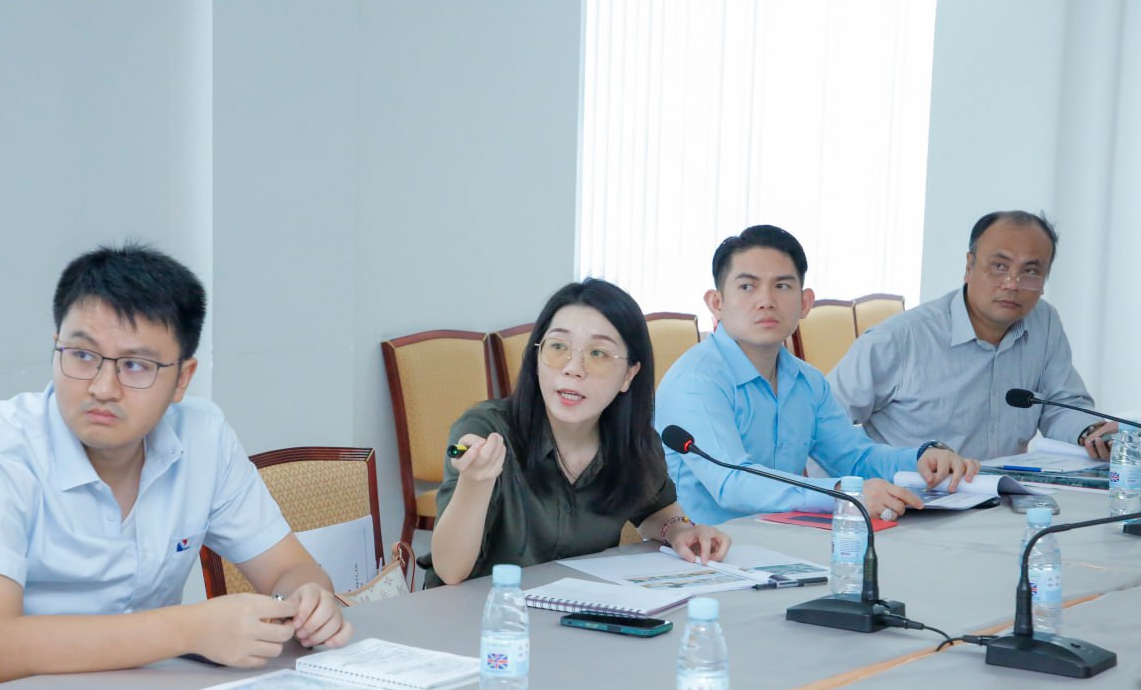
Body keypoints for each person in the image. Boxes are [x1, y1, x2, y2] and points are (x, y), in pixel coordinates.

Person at [0, 244, 351, 690]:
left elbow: (290, 569)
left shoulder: (203, 438)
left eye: (135, 366)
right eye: (82, 355)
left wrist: (306, 601)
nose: (102, 388)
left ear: (182, 379)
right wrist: (192, 629)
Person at [655, 225, 978, 527]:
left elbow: (855, 457)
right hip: (698, 550)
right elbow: (732, 483)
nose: (766, 301)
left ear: (805, 303)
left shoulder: (806, 381)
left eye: (782, 286)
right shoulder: (696, 382)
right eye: (747, 286)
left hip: (782, 541)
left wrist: (922, 458)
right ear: (717, 303)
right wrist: (843, 494)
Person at [426, 279, 731, 587]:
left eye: (598, 353)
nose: (573, 368)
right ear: (536, 357)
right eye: (558, 347)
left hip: (578, 609)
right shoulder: (486, 430)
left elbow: (656, 508)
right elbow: (451, 571)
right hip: (486, 610)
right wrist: (475, 482)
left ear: (629, 374)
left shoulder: (632, 442)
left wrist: (679, 531)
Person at [828, 210, 1116, 461]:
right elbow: (822, 424)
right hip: (912, 498)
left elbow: (1060, 406)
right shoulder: (899, 340)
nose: (1012, 284)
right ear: (969, 266)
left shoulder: (1045, 323)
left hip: (1003, 495)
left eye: (1030, 271)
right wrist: (847, 490)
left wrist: (1089, 432)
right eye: (999, 266)